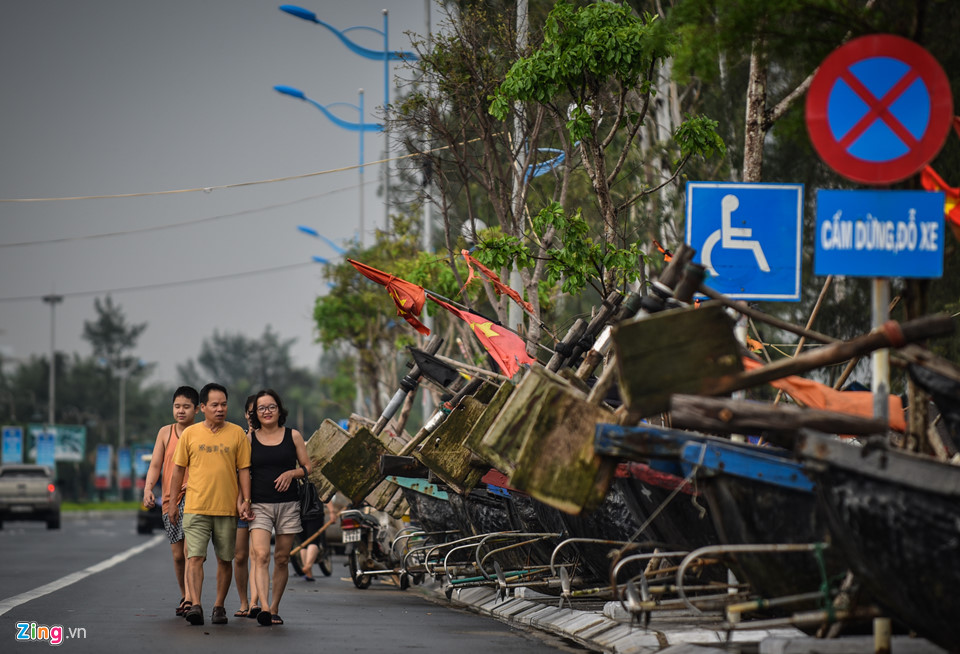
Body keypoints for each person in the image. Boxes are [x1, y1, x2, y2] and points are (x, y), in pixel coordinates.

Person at [168, 383, 253, 627]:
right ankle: (195, 604)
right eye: (214, 405)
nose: (220, 409)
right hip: (195, 507)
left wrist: (246, 501)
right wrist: (174, 503)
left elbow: (244, 470)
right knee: (194, 557)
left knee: (225, 559)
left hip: (227, 509)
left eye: (224, 404)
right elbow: (178, 472)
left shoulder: (237, 433)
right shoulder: (190, 434)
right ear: (202, 407)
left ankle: (218, 606)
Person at [248, 389, 311, 626]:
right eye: (261, 408)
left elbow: (307, 467)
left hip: (289, 505)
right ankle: (263, 606)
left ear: (279, 409)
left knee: (282, 558)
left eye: (271, 407)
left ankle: (274, 608)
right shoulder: (250, 438)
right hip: (260, 505)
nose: (267, 412)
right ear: (255, 413)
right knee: (262, 555)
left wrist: (291, 473)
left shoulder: (293, 436)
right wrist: (243, 501)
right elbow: (243, 472)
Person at [142, 386, 199, 618]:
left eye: (186, 407)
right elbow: (155, 464)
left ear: (197, 409)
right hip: (169, 499)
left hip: (195, 498)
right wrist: (148, 489)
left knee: (189, 551)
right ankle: (184, 592)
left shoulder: (201, 432)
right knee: (177, 555)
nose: (181, 411)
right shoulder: (165, 433)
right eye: (177, 406)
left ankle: (190, 600)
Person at [233, 394, 261, 618]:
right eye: (251, 412)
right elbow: (233, 475)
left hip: (262, 503)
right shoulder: (237, 438)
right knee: (240, 556)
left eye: (258, 411)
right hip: (240, 505)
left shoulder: (269, 439)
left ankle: (254, 602)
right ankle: (243, 600)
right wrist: (239, 501)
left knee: (257, 554)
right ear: (245, 414)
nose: (254, 416)